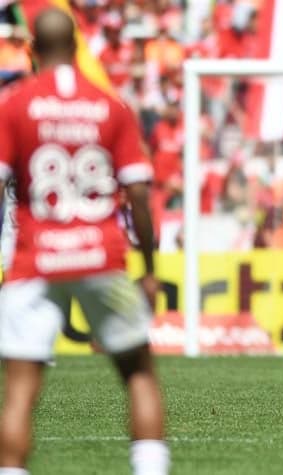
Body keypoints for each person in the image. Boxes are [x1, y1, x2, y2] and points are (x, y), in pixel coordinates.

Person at [0, 9, 169, 475]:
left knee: (19, 390)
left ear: (31, 51)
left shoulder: (14, 105)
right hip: (101, 254)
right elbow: (138, 195)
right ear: (77, 49)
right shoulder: (111, 107)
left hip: (35, 257)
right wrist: (150, 270)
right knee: (137, 373)